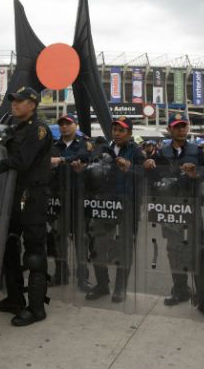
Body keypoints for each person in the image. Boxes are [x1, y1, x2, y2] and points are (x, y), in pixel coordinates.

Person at [0, 86, 53, 326]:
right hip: (12, 195)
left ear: (32, 105)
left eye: (20, 101)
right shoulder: (15, 129)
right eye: (13, 100)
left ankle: (36, 308)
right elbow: (1, 152)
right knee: (8, 246)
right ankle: (15, 299)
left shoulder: (39, 129)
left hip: (32, 197)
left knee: (34, 252)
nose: (14, 104)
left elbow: (21, 161)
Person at [143, 112, 204, 319]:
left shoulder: (196, 150)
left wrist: (196, 173)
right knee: (174, 250)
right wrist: (148, 166)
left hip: (191, 207)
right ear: (170, 129)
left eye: (184, 126)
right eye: (177, 126)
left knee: (199, 251)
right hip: (170, 209)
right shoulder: (161, 152)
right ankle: (180, 290)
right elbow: (153, 176)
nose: (181, 129)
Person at [84, 116, 144, 303]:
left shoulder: (136, 152)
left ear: (129, 133)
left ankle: (120, 287)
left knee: (124, 246)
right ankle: (102, 284)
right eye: (115, 130)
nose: (117, 133)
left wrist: (129, 168)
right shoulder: (103, 149)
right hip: (103, 204)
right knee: (97, 244)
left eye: (121, 130)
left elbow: (145, 174)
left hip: (127, 205)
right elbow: (91, 170)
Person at [48, 113, 93, 289]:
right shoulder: (54, 145)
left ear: (76, 126)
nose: (64, 127)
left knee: (81, 238)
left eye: (68, 123)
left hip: (79, 197)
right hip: (59, 198)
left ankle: (82, 276)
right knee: (59, 236)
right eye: (62, 124)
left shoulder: (84, 143)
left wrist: (61, 160)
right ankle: (61, 274)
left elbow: (84, 156)